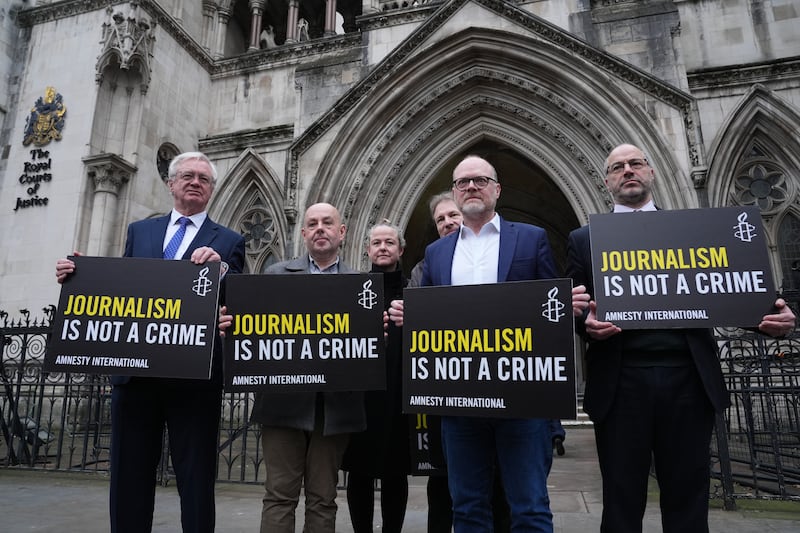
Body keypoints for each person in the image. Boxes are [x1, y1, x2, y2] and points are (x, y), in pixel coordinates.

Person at [565, 143, 797, 533]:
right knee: (621, 502)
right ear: (606, 182)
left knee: (688, 498)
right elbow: (576, 308)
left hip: (688, 379)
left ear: (651, 172)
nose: (628, 171)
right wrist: (583, 321)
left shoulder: (695, 231)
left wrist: (771, 319)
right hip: (621, 386)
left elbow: (730, 288)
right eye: (618, 167)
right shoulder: (584, 239)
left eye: (636, 163)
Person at [389, 155, 589, 532]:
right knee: (466, 508)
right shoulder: (437, 253)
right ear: (454, 192)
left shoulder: (532, 239)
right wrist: (409, 316)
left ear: (496, 189)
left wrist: (570, 308)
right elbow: (429, 320)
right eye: (462, 182)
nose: (471, 187)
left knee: (529, 507)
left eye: (480, 180)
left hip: (522, 402)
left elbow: (551, 310)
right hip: (461, 403)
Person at [55, 151, 246, 533]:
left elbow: (237, 296)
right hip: (136, 377)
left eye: (203, 179)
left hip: (194, 380)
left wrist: (220, 268)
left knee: (195, 480)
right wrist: (79, 274)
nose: (195, 182)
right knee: (129, 476)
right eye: (187, 176)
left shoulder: (228, 240)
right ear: (171, 183)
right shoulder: (140, 232)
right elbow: (124, 285)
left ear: (211, 190)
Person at [219, 202, 367, 533]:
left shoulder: (360, 285)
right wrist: (232, 325)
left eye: (327, 222)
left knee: (323, 498)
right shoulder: (275, 275)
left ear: (341, 232)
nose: (319, 228)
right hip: (282, 405)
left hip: (334, 409)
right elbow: (252, 330)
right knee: (279, 496)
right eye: (312, 223)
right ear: (303, 234)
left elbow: (368, 349)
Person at [342, 221, 410, 533]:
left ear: (400, 249)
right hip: (361, 397)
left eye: (389, 243)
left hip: (398, 395)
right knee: (360, 472)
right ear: (367, 249)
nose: (383, 248)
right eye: (377, 243)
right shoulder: (352, 290)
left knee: (396, 473)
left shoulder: (415, 291)